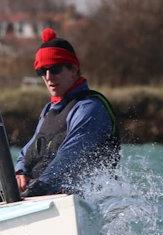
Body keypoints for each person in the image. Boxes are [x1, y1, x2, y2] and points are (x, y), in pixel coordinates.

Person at [15, 28, 120, 197]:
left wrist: (35, 190)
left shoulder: (89, 108)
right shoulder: (48, 111)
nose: (48, 77)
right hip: (40, 193)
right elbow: (28, 151)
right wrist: (20, 171)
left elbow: (70, 157)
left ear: (73, 70)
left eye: (55, 69)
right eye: (42, 71)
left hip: (77, 200)